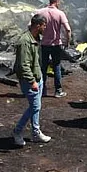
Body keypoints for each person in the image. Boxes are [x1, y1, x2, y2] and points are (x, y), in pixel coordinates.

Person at [13, 14, 52, 146]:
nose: (45, 28)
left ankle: (36, 132)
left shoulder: (35, 38)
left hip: (37, 77)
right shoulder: (25, 41)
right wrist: (32, 81)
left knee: (36, 107)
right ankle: (17, 131)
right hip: (29, 80)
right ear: (37, 25)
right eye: (44, 25)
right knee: (35, 106)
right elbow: (23, 65)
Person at [35, 0, 72, 98]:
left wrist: (36, 38)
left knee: (43, 66)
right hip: (56, 44)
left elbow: (30, 25)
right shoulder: (60, 13)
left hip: (44, 44)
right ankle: (58, 91)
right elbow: (68, 29)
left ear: (49, 1)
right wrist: (67, 41)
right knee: (56, 66)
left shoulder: (40, 12)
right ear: (57, 1)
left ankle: (42, 90)